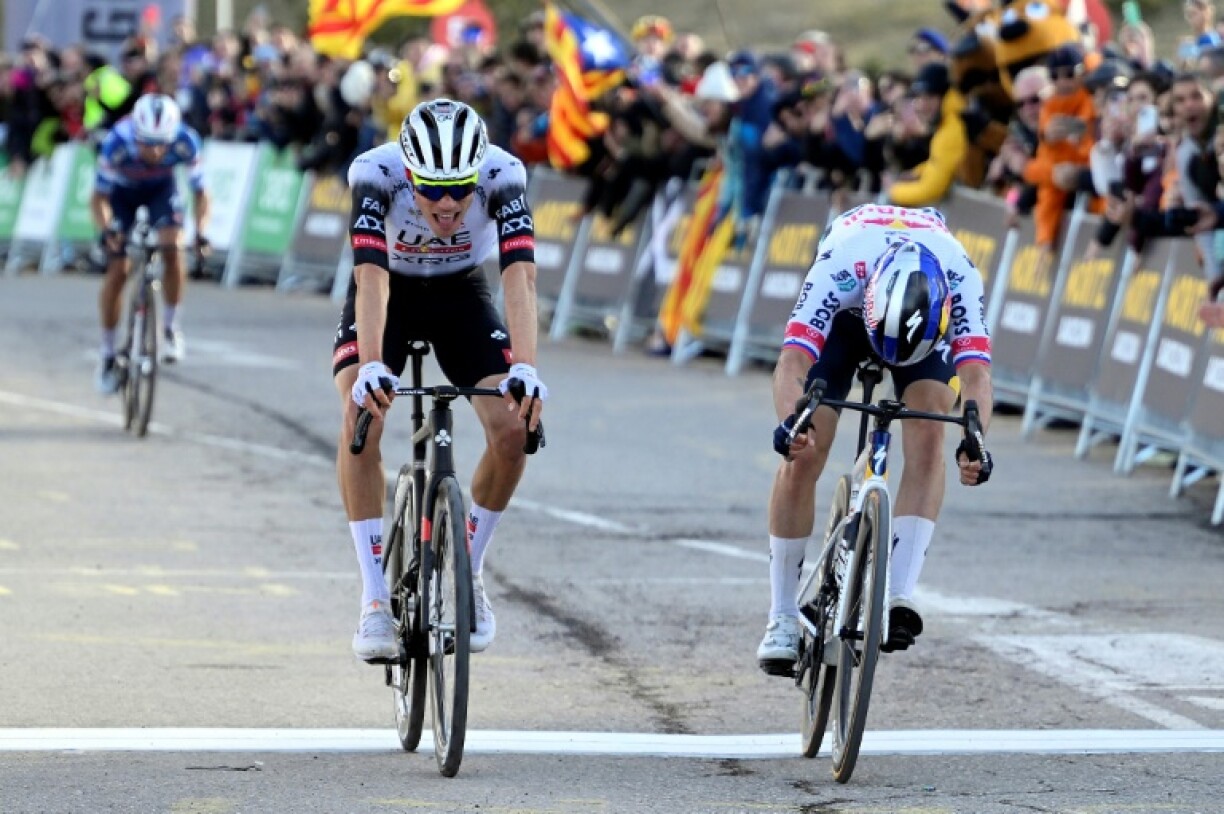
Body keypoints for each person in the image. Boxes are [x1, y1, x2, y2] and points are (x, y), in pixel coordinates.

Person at [336, 98, 546, 662]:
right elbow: (370, 278)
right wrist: (374, 362)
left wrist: (525, 367)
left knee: (513, 429)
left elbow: (519, 277)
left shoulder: (505, 175)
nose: (448, 205)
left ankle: (468, 573)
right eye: (431, 190)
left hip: (460, 295)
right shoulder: (373, 173)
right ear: (410, 174)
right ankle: (375, 600)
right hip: (391, 295)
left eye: (461, 190)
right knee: (361, 415)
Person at [755, 203, 995, 675]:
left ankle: (898, 591)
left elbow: (977, 377)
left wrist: (977, 442)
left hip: (923, 330)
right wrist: (791, 422)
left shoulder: (960, 279)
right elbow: (793, 364)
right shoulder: (841, 265)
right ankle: (781, 615)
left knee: (929, 429)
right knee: (806, 448)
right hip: (848, 320)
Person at [92, 93, 209, 393]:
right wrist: (107, 230)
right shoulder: (117, 140)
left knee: (173, 248)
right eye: (147, 142)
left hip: (161, 190)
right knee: (118, 268)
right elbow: (99, 199)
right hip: (122, 196)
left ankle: (170, 328)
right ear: (135, 134)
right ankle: (107, 354)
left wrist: (201, 233)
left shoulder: (186, 140)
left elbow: (201, 193)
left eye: (162, 143)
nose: (155, 150)